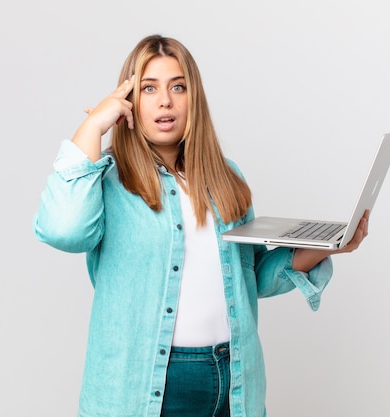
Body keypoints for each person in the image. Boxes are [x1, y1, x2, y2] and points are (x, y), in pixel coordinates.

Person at [34, 34, 369, 417]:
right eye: (148, 88)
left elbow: (252, 278)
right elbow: (63, 229)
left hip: (234, 378)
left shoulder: (224, 176)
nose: (165, 100)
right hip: (150, 386)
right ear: (127, 102)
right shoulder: (107, 180)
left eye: (178, 86)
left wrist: (330, 245)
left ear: (194, 98)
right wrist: (93, 126)